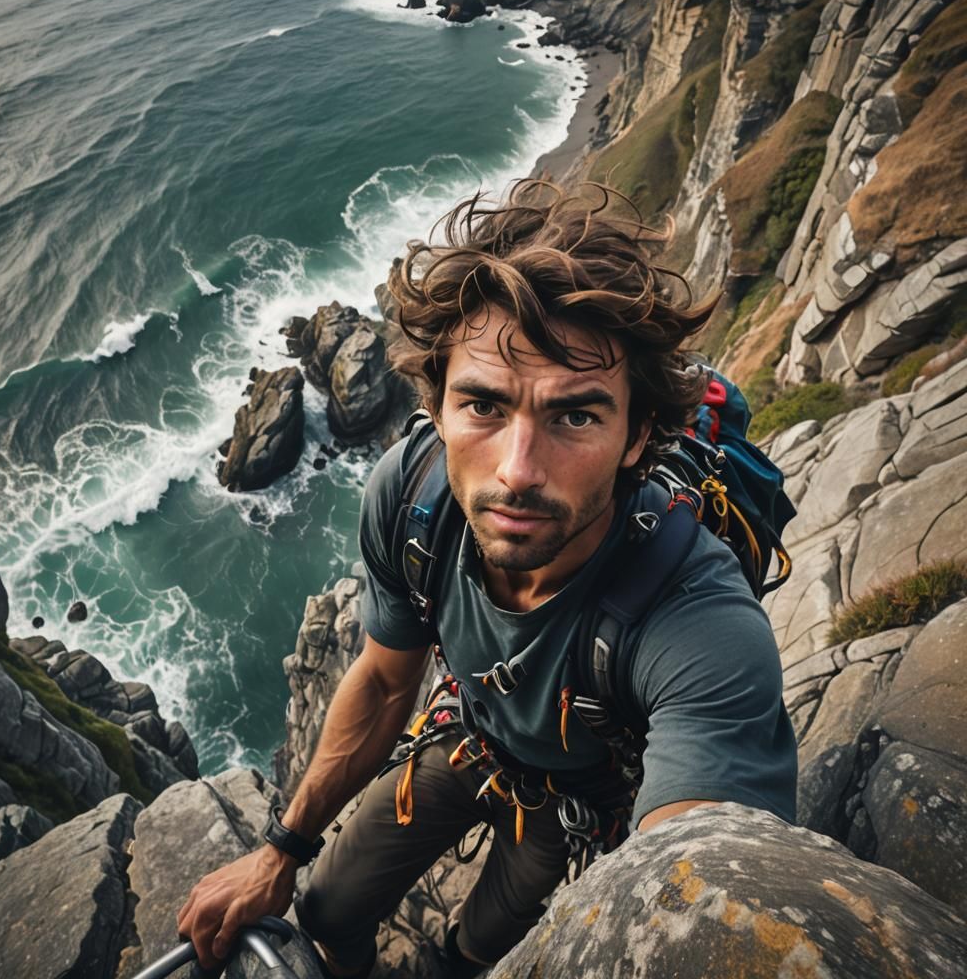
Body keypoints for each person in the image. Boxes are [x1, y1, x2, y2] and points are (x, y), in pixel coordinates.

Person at [176, 178, 798, 977]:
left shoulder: (693, 615)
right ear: (434, 408)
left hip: (576, 797)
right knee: (328, 905)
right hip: (471, 734)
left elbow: (701, 868)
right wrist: (280, 849)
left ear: (640, 435)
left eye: (575, 414)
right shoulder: (414, 497)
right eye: (484, 406)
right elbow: (383, 677)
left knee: (471, 951)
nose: (517, 471)